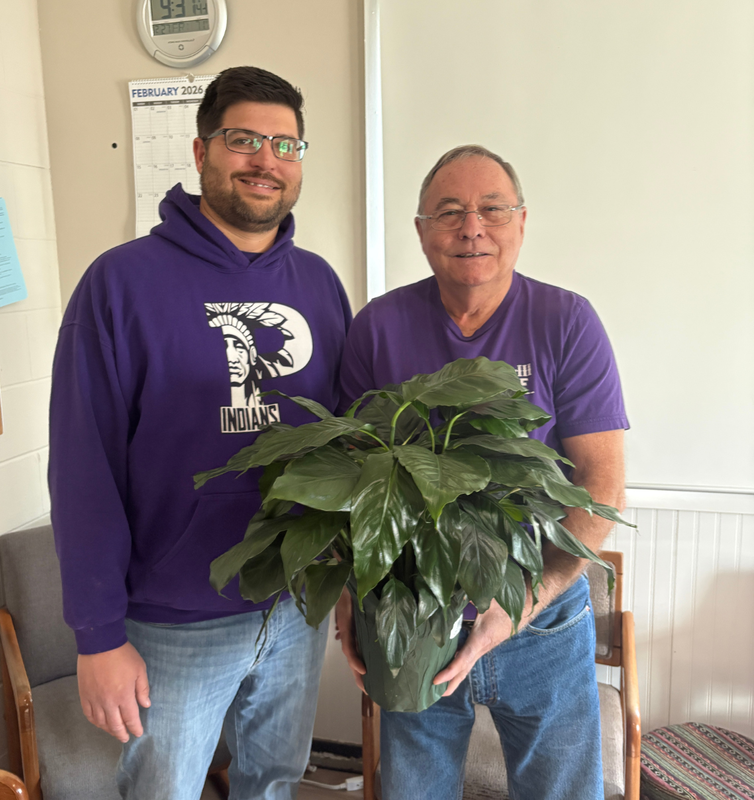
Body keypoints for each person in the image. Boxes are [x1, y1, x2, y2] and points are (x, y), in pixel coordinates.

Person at [49, 66, 351, 800]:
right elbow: (82, 467)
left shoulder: (319, 284)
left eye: (286, 143)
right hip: (174, 618)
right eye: (244, 139)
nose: (266, 160)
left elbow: (347, 448)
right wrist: (98, 635)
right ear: (200, 151)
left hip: (294, 606)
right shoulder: (120, 284)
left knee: (274, 782)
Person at [335, 144, 628, 800]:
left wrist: (523, 601)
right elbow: (350, 476)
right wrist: (351, 596)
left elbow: (600, 480)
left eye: (492, 209)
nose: (472, 227)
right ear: (420, 231)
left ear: (521, 223)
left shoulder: (567, 322)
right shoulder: (377, 328)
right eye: (449, 212)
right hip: (414, 611)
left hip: (541, 618)